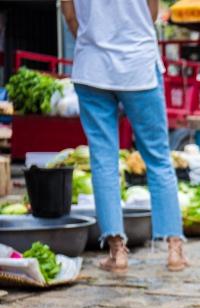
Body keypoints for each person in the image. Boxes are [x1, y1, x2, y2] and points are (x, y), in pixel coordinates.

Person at [61, 0, 187, 273]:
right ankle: (174, 250)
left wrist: (95, 39)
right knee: (158, 157)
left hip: (92, 68)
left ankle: (117, 251)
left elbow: (70, 16)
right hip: (138, 65)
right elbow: (151, 13)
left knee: (103, 161)